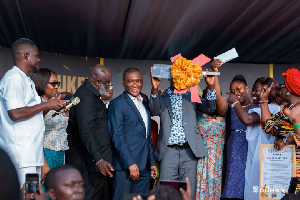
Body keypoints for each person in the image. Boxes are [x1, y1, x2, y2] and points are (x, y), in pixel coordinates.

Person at [0, 38, 66, 188]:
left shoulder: (26, 80)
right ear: (25, 56)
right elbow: (14, 113)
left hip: (31, 157)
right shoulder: (14, 79)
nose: (39, 59)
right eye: (36, 56)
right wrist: (47, 104)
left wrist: (50, 107)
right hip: (20, 157)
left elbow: (33, 116)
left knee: (31, 195)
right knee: (22, 195)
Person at [149, 66, 216, 196]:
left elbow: (210, 109)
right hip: (168, 151)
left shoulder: (192, 95)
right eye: (176, 74)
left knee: (188, 191)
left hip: (189, 151)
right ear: (170, 77)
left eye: (182, 74)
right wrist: (154, 89)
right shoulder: (162, 96)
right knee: (167, 191)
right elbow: (154, 111)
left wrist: (211, 87)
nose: (179, 77)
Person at [226, 76, 281, 200]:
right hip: (255, 157)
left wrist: (235, 102)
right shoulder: (258, 108)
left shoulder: (272, 108)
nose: (253, 93)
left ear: (266, 91)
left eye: (256, 90)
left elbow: (248, 119)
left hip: (264, 160)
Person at [108, 68, 157, 200]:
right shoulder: (117, 104)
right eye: (130, 81)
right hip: (126, 167)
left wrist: (152, 162)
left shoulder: (145, 104)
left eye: (138, 81)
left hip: (145, 167)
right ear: (123, 82)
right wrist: (130, 163)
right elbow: (117, 135)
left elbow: (147, 137)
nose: (135, 85)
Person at [66, 64, 114, 200]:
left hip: (95, 160)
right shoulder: (86, 97)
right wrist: (99, 159)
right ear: (97, 81)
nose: (110, 84)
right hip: (90, 162)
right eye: (108, 82)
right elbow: (86, 131)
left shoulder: (92, 94)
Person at [210, 60, 255, 199]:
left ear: (247, 88)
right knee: (232, 179)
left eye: (239, 89)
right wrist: (214, 74)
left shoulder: (256, 106)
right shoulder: (230, 106)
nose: (236, 92)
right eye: (233, 90)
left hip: (252, 146)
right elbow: (219, 98)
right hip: (235, 146)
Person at [31, 68, 70, 183]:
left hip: (59, 156)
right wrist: (43, 164)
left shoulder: (54, 103)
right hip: (43, 157)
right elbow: (33, 136)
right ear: (42, 83)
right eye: (53, 84)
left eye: (57, 83)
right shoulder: (35, 104)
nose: (56, 87)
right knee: (39, 193)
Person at [260, 68, 300, 177]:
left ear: (288, 90)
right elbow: (268, 127)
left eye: (282, 87)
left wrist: (286, 141)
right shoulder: (285, 109)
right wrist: (263, 100)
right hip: (283, 164)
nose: (280, 91)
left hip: (297, 166)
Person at [195, 87, 226, 200]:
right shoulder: (198, 114)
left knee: (217, 185)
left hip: (219, 159)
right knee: (200, 184)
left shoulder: (225, 114)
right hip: (201, 158)